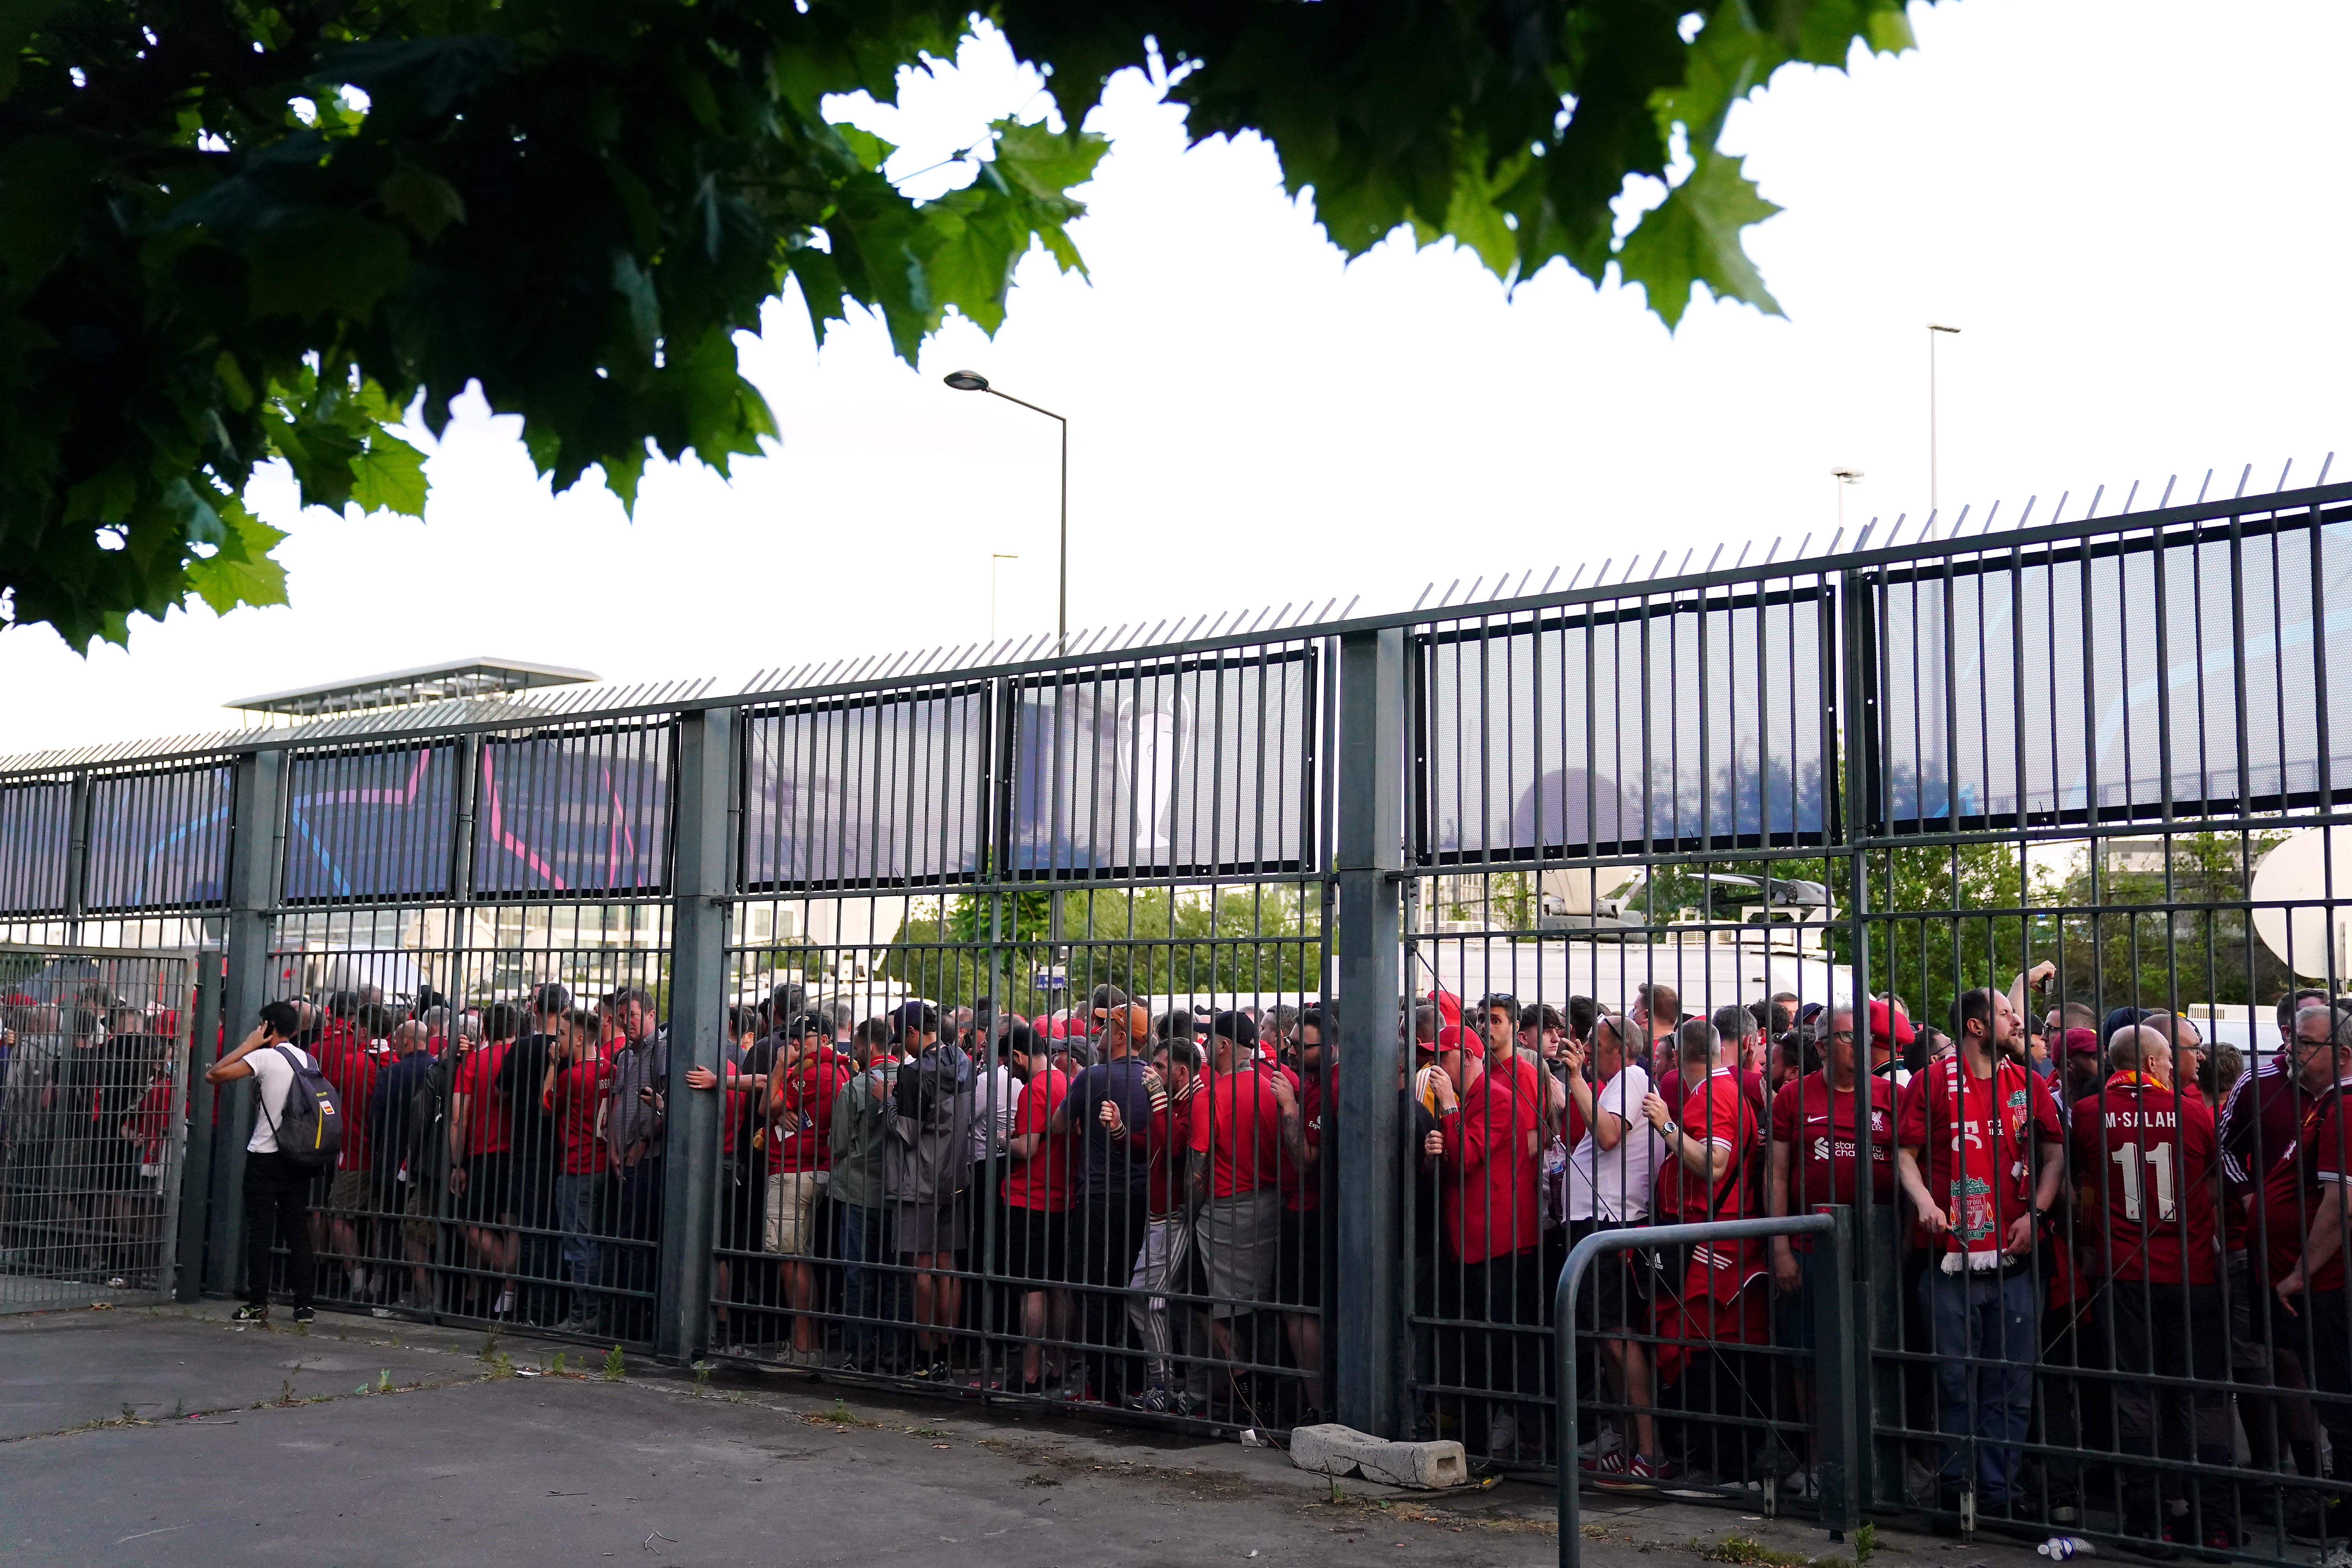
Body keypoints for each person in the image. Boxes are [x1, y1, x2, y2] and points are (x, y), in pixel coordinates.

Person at [1895, 984, 2065, 1525]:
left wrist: (2036, 1212)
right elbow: (1905, 1154)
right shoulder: (1930, 1082)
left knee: (2012, 1384)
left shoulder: (2028, 1082)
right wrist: (1923, 1201)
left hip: (2015, 1260)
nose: (2019, 1022)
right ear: (1975, 1026)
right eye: (2008, 1013)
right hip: (1949, 1260)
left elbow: (2054, 1154)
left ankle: (1998, 1494)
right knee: (1953, 1380)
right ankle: (1958, 1489)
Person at [2072, 1022, 2230, 1553]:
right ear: (2149, 1061)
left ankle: (2148, 1518)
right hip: (2192, 1272)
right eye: (2167, 1059)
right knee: (2202, 1395)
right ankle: (2214, 1521)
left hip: (2124, 1272)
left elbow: (2083, 1188)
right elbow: (2212, 1183)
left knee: (2135, 1391)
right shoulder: (2194, 1113)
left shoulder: (2089, 1114)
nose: (2171, 1068)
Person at [1767, 1004, 1896, 1495]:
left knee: (1877, 1352)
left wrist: (1903, 1244)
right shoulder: (1792, 1097)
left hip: (1876, 1248)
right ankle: (1821, 1463)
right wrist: (1780, 1247)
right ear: (1821, 1046)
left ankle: (1882, 1461)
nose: (1862, 1045)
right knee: (1809, 1358)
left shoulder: (1890, 1095)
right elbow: (1776, 1174)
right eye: (1848, 1037)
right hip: (1809, 1246)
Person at [1643, 1015, 1767, 1485]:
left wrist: (1667, 1125)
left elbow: (1715, 1164)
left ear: (1679, 1057)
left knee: (1707, 1357)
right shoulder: (1725, 1090)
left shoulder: (1714, 1095)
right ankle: (1725, 1465)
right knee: (1718, 1355)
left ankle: (1724, 1470)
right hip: (1718, 1237)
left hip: (1712, 1244)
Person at [1430, 1007, 1541, 1459]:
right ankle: (1482, 1438)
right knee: (1478, 1344)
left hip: (1500, 1243)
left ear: (1469, 1057)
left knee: (1501, 1345)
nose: (1435, 1066)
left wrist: (1451, 1113)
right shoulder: (1471, 1098)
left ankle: (1519, 1435)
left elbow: (1466, 1157)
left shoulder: (1495, 1097)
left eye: (1444, 1056)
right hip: (1474, 1242)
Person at [1562, 1011, 1664, 1479]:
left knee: (1620, 1338)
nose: (1586, 1046)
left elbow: (1606, 1135)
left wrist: (1577, 1078)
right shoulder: (1618, 1082)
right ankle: (1628, 1445)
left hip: (1612, 1223)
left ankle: (1648, 1451)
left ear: (1619, 1048)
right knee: (1607, 1340)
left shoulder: (1633, 1076)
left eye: (1592, 1041)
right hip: (1595, 1223)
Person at [2266, 1002, 2352, 1543]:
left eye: (2305, 1042)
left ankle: (2346, 1507)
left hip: (2333, 1283)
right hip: (2325, 1280)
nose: (2292, 1049)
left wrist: (2300, 1272)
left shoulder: (2344, 1107)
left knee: (2341, 1400)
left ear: (2342, 1055)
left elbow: (2340, 1204)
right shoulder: (2326, 1103)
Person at [1054, 995, 1156, 1406]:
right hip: (1142, 1198)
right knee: (1133, 1287)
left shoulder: (1093, 1078)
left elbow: (1059, 1124)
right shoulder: (1154, 1077)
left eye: (1102, 1027)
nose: (1095, 1033)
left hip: (1098, 1195)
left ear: (1118, 1034)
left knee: (1096, 1289)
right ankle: (1133, 1379)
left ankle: (1100, 1383)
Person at [1189, 1010, 1284, 1408]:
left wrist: (1187, 1213)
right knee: (1261, 1302)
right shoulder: (1275, 1089)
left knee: (1206, 1300)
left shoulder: (1210, 1096)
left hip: (1224, 1212)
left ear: (1224, 1045)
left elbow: (1197, 1171)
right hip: (1271, 1205)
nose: (1206, 1046)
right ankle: (1265, 1390)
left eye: (1210, 1039)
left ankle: (1244, 1386)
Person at [207, 1000, 318, 1327]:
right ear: (296, 1029)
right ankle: (304, 1306)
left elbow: (213, 1075)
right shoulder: (307, 1058)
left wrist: (248, 1045)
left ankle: (257, 1303)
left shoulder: (264, 1056)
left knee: (260, 1232)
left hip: (266, 1155)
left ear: (267, 1027)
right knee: (297, 1231)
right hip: (297, 1155)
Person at [1123, 1032, 1209, 1415]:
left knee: (1146, 1300)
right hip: (1160, 1218)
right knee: (1171, 1308)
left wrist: (1157, 1098)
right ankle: (1189, 1386)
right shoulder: (1174, 1101)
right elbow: (1155, 1145)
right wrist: (1120, 1134)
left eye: (1158, 1067)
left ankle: (1165, 1386)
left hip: (1175, 1219)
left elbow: (1176, 1147)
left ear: (1179, 1071)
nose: (1150, 1073)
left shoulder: (1194, 1102)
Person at [888, 1002, 975, 1381]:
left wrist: (886, 1099)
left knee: (921, 1267)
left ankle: (924, 1356)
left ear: (912, 1032)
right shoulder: (965, 1063)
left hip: (919, 1180)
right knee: (947, 1265)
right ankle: (948, 1353)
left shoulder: (912, 1074)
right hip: (956, 1177)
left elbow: (905, 1131)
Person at [764, 1010, 845, 1364]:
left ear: (825, 1039)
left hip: (796, 1172)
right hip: (818, 1170)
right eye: (792, 1039)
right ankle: (806, 1343)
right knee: (801, 1258)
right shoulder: (840, 1067)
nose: (795, 1044)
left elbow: (767, 1104)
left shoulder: (814, 1072)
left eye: (804, 1038)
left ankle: (802, 1349)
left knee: (790, 1260)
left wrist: (781, 1069)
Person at [1268, 1005, 1336, 1421]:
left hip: (1313, 1212)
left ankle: (1319, 1406)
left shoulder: (1321, 1088)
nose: (1290, 1050)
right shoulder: (1317, 1081)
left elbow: (1306, 1157)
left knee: (1300, 1309)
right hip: (1310, 1210)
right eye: (1290, 1041)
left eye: (1299, 1045)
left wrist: (1289, 1105)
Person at [1001, 1016, 1075, 1393]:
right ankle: (1058, 1365)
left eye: (1008, 1064)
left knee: (1031, 1287)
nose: (1009, 1073)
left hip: (1030, 1196)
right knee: (1058, 1286)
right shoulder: (1066, 1080)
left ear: (1018, 1056)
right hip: (1063, 1195)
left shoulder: (1034, 1091)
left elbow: (1027, 1148)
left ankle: (1030, 1372)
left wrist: (1003, 1141)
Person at [827, 1016, 902, 1372]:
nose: (854, 1053)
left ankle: (861, 1355)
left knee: (859, 1274)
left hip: (858, 1192)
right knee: (893, 1276)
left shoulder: (854, 1088)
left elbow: (839, 1143)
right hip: (899, 1193)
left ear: (869, 1047)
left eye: (856, 1047)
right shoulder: (909, 1080)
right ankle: (894, 1353)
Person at [602, 987, 667, 1338]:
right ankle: (628, 1318)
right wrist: (614, 1148)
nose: (627, 1022)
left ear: (652, 1016)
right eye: (623, 1017)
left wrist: (641, 1143)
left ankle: (638, 1322)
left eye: (634, 1016)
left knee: (637, 1240)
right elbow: (617, 1105)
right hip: (624, 1157)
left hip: (648, 1160)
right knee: (625, 1238)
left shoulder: (662, 1050)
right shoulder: (627, 1057)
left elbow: (668, 1106)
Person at [449, 1001, 521, 1318]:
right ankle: (509, 1287)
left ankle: (506, 1276)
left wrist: (456, 1163)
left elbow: (458, 1118)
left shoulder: (474, 1062)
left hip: (483, 1154)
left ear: (486, 1030)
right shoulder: (523, 1057)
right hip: (520, 1155)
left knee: (470, 1223)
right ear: (517, 1029)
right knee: (512, 1223)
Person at [367, 1020, 439, 1311]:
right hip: (428, 1164)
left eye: (397, 1041)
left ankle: (390, 1285)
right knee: (423, 1230)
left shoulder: (391, 1074)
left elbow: (378, 1119)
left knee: (390, 1227)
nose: (394, 1047)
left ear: (406, 1042)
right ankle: (418, 1289)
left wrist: (380, 1154)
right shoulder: (438, 1070)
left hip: (394, 1161)